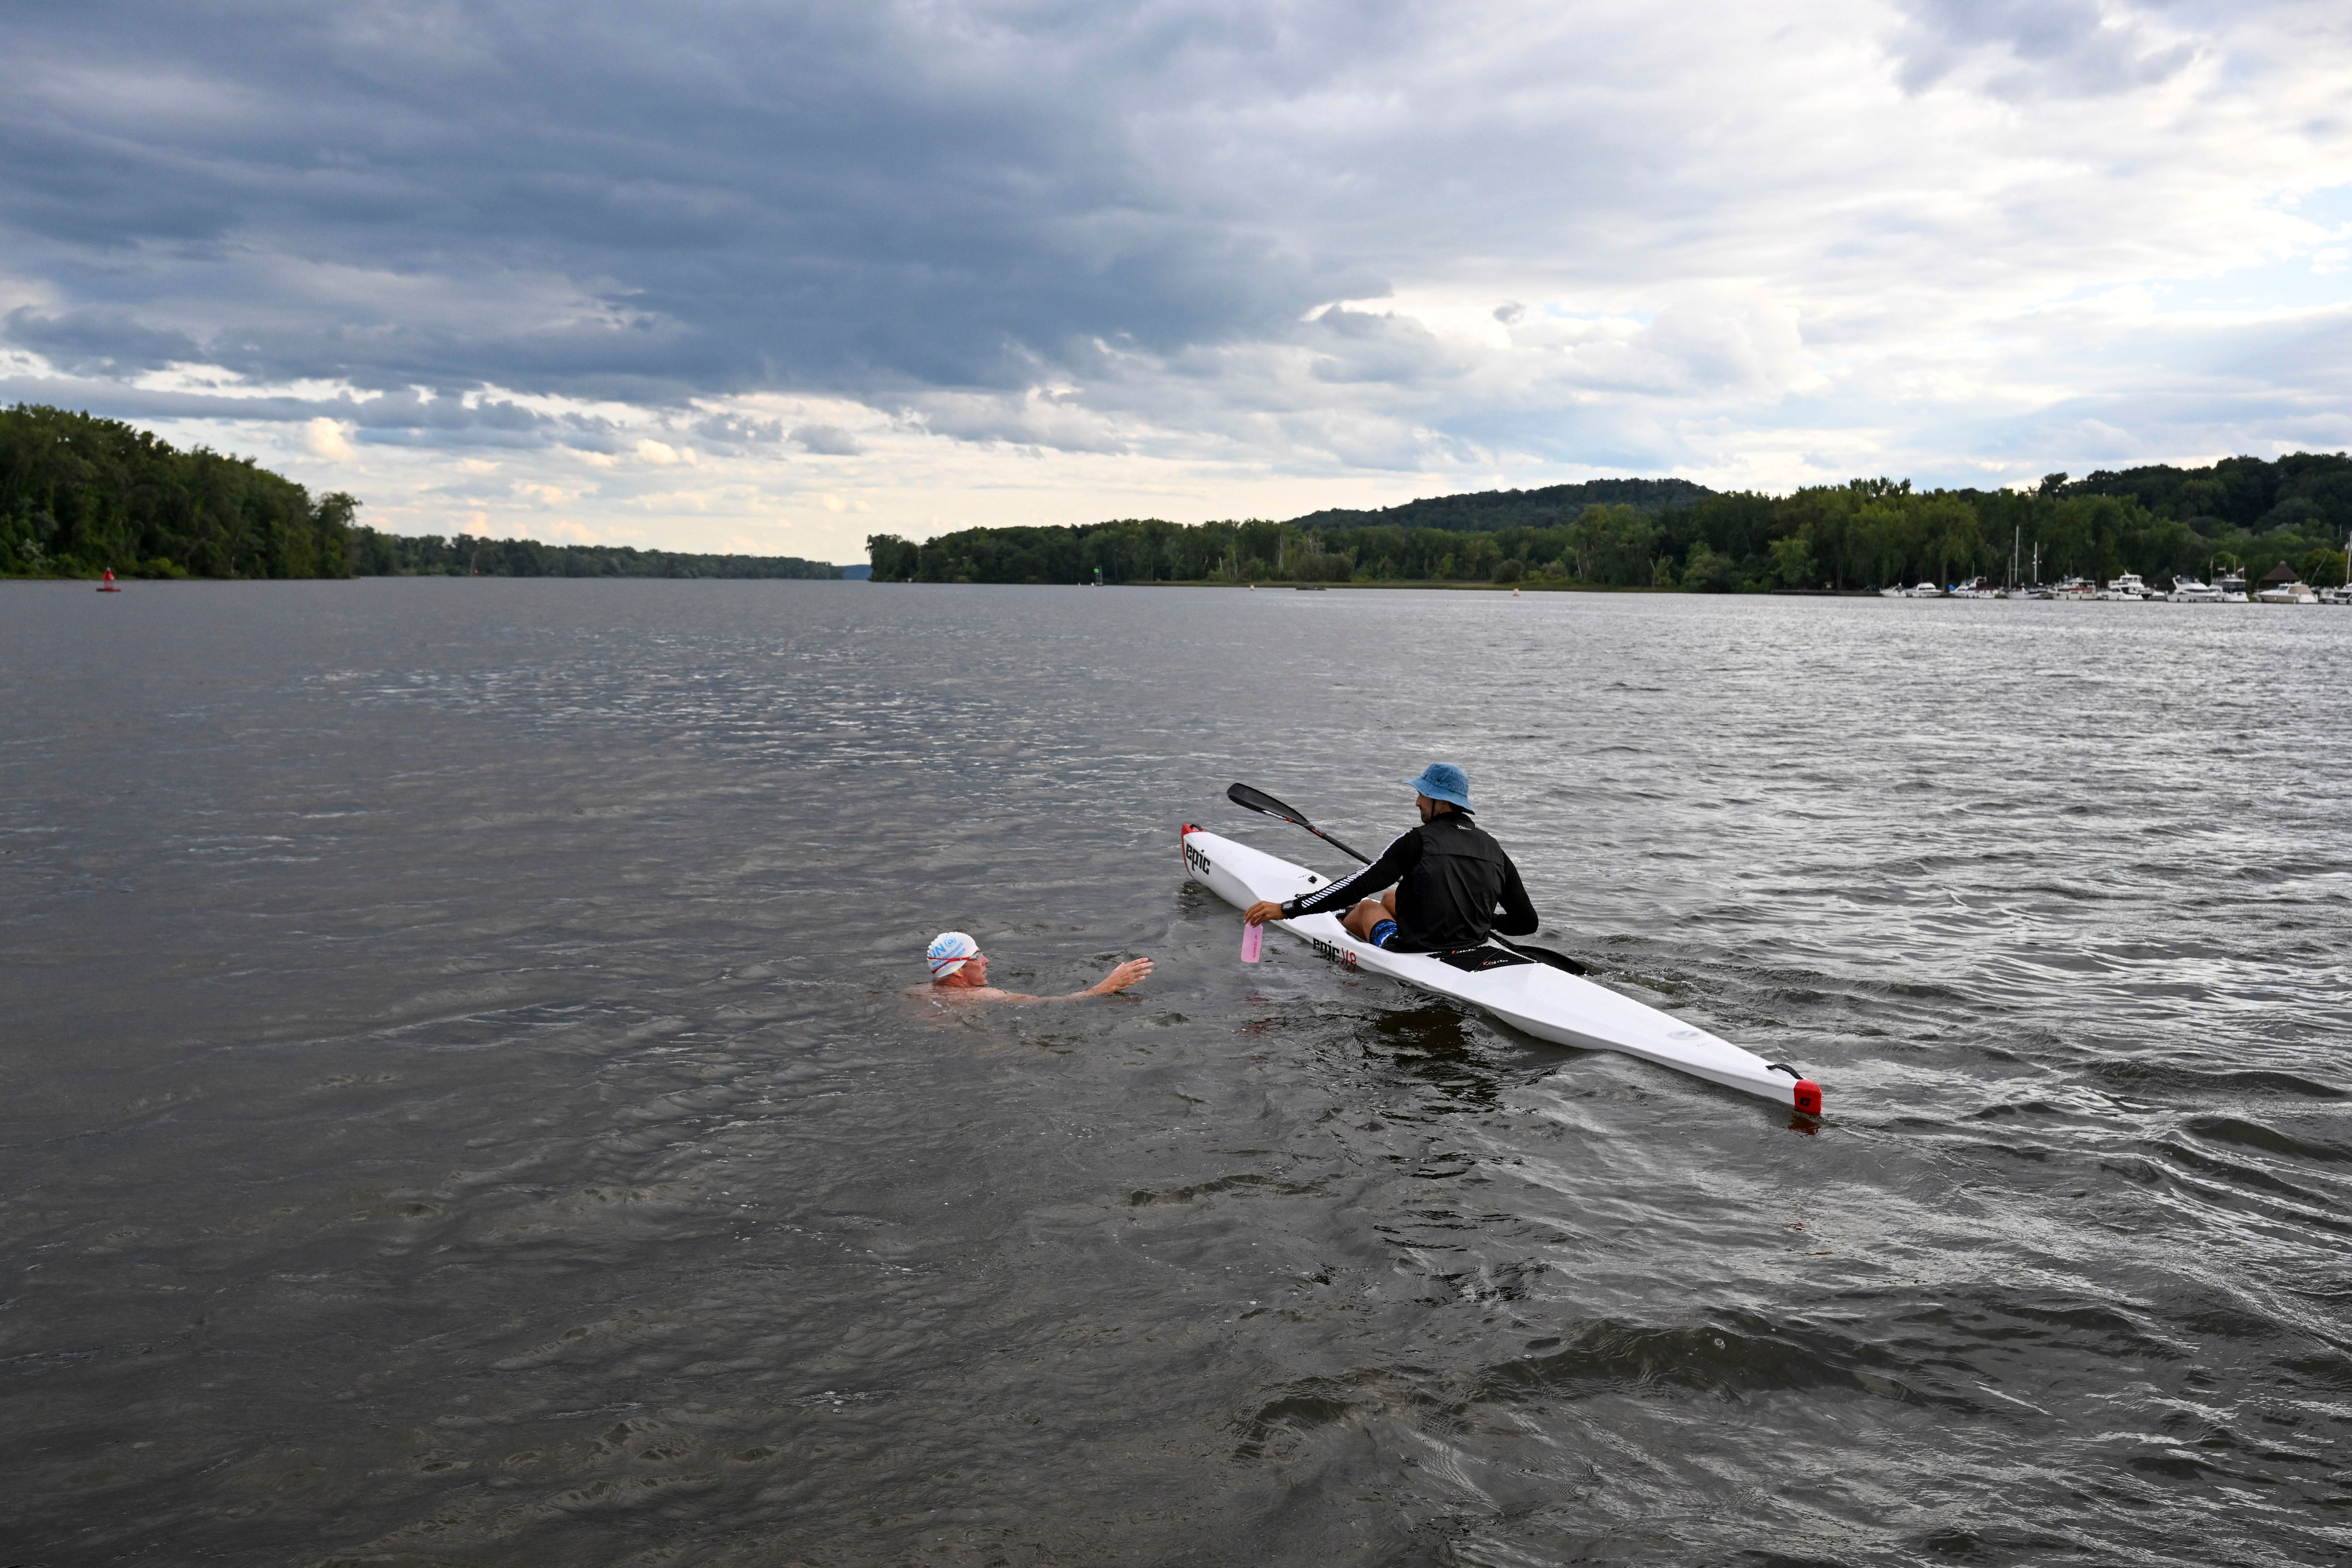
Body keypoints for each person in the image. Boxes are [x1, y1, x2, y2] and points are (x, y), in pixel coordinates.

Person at [1242, 764, 1537, 951]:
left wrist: (1289, 908)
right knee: (1392, 898)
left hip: (1415, 947)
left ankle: (1340, 931)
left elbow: (1359, 884)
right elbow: (1526, 923)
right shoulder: (1493, 848)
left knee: (1368, 906)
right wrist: (1486, 921)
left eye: (1423, 795)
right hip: (1474, 941)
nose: (1417, 802)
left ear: (1441, 802)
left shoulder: (1417, 841)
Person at [915, 931, 1153, 1003]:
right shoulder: (983, 996)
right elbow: (1051, 1004)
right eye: (977, 957)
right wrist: (1106, 987)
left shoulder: (916, 993)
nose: (986, 961)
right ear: (957, 970)